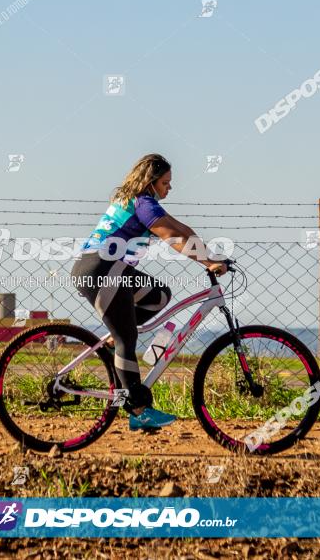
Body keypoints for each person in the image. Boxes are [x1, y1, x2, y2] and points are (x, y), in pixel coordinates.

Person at [71, 153, 228, 431]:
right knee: (127, 338)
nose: (170, 187)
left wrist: (212, 257)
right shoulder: (143, 203)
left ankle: (118, 336)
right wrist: (206, 262)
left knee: (159, 296)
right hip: (104, 269)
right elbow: (171, 236)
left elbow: (181, 229)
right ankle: (139, 410)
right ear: (151, 182)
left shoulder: (144, 202)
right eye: (166, 182)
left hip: (106, 268)